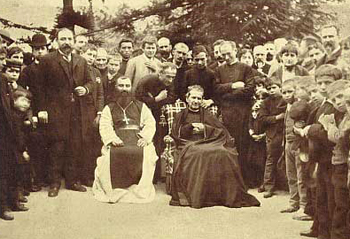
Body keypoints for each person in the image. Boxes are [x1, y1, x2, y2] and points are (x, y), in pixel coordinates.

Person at [169, 85, 260, 208]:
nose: (196, 101)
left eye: (199, 98)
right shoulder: (181, 115)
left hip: (209, 141)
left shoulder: (207, 114)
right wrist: (189, 127)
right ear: (187, 98)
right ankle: (199, 194)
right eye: (193, 98)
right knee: (199, 153)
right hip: (188, 143)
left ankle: (220, 195)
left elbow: (220, 131)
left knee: (224, 153)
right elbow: (176, 133)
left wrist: (205, 128)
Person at [36, 28, 95, 197]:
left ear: (74, 41)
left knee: (74, 147)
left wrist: (85, 89)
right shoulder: (47, 60)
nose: (66, 42)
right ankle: (54, 183)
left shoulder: (81, 61)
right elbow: (39, 88)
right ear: (57, 41)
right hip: (56, 112)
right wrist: (42, 109)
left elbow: (91, 82)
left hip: (77, 112)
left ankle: (72, 181)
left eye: (69, 38)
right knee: (57, 147)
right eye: (63, 39)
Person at [92, 76, 158, 203]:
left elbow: (150, 123)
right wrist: (111, 139)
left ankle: (140, 189)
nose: (124, 89)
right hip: (118, 137)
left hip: (138, 137)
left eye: (127, 86)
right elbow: (105, 125)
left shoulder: (141, 106)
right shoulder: (109, 107)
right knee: (107, 157)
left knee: (148, 153)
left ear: (131, 88)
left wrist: (145, 137)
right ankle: (112, 188)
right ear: (116, 88)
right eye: (121, 86)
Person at [215, 40, 256, 184]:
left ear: (235, 50)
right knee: (228, 145)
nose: (226, 57)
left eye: (229, 53)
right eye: (223, 54)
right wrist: (233, 85)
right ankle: (230, 180)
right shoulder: (219, 70)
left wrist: (229, 94)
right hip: (227, 113)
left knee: (243, 145)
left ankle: (243, 180)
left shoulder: (245, 68)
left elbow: (250, 90)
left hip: (243, 112)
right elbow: (217, 89)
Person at [318, 80, 350, 239]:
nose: (338, 102)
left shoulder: (346, 118)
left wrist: (328, 125)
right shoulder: (343, 115)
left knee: (341, 205)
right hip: (338, 163)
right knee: (339, 203)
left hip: (343, 164)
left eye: (340, 97)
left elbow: (340, 138)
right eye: (334, 99)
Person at [135, 62, 177, 181]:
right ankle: (142, 175)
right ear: (160, 73)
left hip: (160, 116)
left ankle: (156, 175)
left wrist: (154, 101)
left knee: (159, 143)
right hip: (144, 117)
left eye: (173, 77)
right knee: (146, 142)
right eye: (168, 76)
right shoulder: (146, 81)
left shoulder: (170, 83)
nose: (170, 80)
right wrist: (157, 99)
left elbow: (171, 98)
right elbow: (139, 99)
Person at [80, 43, 104, 186]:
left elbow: (100, 94)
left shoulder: (96, 72)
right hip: (79, 112)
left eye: (94, 56)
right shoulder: (77, 69)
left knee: (92, 144)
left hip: (93, 112)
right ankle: (78, 176)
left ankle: (89, 175)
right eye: (89, 54)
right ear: (82, 54)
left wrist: (99, 112)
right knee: (80, 143)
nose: (91, 58)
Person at [259, 77, 286, 198]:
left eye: (274, 87)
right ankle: (268, 186)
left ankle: (286, 186)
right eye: (269, 88)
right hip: (272, 134)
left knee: (286, 160)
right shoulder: (265, 102)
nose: (271, 90)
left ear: (280, 87)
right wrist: (277, 118)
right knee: (271, 159)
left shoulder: (286, 99)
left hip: (286, 133)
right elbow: (262, 119)